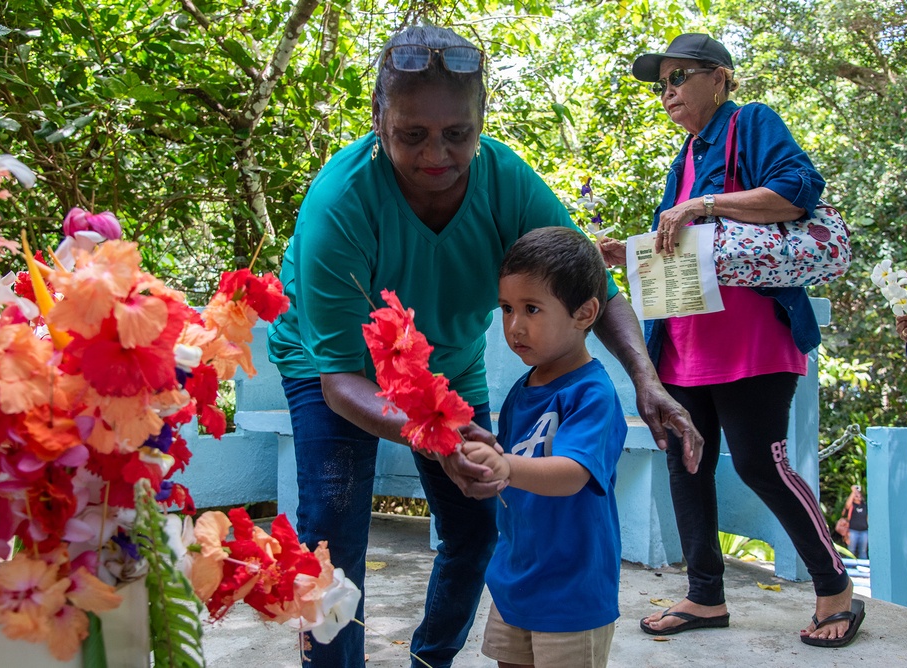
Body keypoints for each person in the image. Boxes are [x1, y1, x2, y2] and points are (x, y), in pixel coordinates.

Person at [266, 25, 703, 668]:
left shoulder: (504, 179)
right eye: (412, 134)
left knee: (474, 531)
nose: (436, 155)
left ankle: (430, 658)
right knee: (333, 534)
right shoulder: (340, 202)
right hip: (336, 368)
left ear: (480, 121)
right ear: (378, 118)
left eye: (458, 134)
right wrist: (435, 437)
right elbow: (340, 382)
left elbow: (594, 285)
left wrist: (647, 381)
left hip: (448, 362)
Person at [599, 33, 864, 648]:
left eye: (677, 78)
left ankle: (836, 589)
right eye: (660, 84)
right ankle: (704, 596)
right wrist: (631, 252)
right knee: (685, 462)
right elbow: (685, 248)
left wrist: (706, 204)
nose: (666, 93)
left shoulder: (752, 124)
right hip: (685, 341)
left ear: (718, 77)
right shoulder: (683, 157)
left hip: (753, 340)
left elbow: (799, 189)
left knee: (758, 463)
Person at [462, 227, 626, 668]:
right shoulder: (524, 387)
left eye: (532, 309)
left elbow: (571, 472)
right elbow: (514, 461)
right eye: (507, 308)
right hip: (516, 577)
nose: (515, 325)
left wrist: (503, 464)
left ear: (585, 312)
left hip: (572, 590)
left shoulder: (592, 394)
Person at [843, 485, 868, 559]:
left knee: (863, 551)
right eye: (856, 495)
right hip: (853, 531)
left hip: (864, 531)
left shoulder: (864, 505)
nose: (858, 496)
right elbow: (847, 505)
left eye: (859, 494)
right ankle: (849, 567)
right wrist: (853, 492)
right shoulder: (852, 506)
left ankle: (864, 568)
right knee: (851, 551)